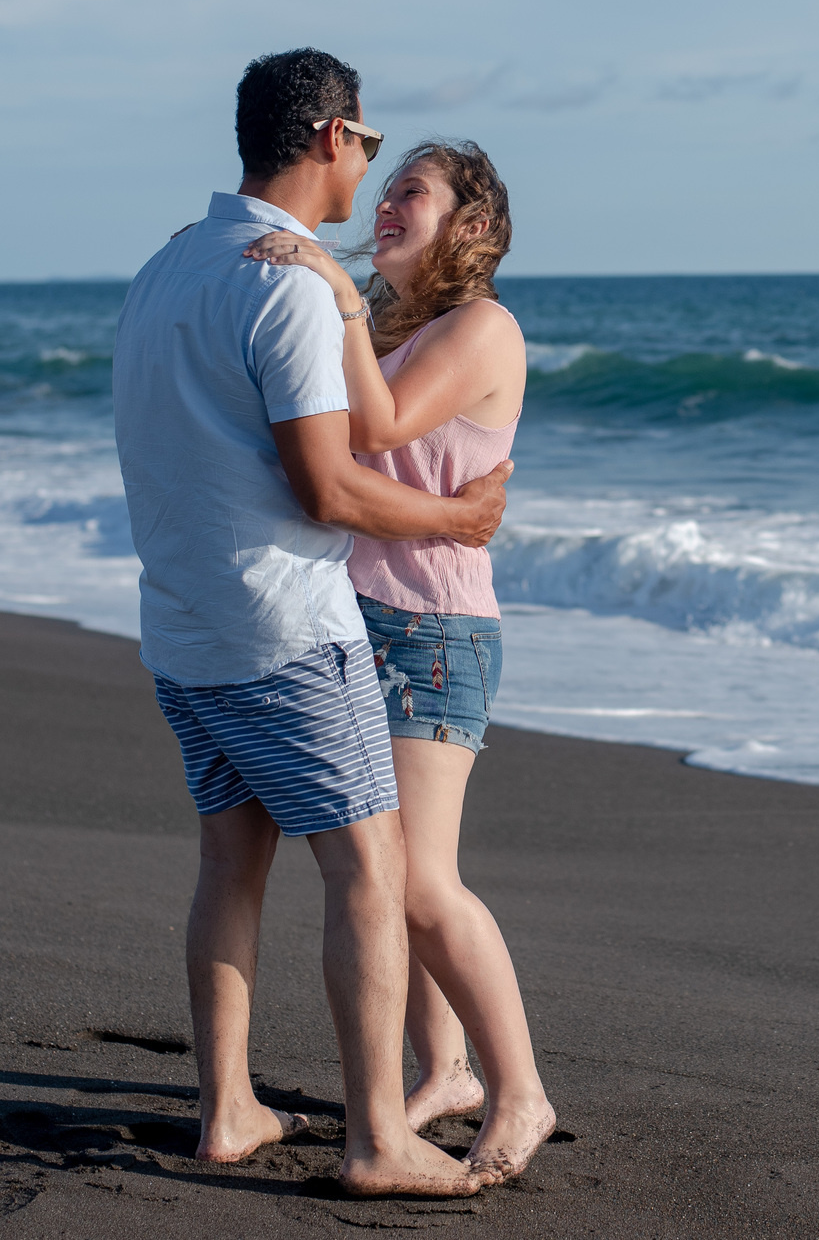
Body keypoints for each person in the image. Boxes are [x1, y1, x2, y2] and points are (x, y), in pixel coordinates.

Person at [111, 49, 513, 1196]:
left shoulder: (164, 268)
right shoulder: (283, 282)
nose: (370, 168)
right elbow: (328, 488)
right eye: (370, 145)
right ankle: (381, 1136)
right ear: (333, 135)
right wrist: (452, 517)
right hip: (282, 628)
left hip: (181, 628)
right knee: (371, 875)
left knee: (229, 863)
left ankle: (230, 1105)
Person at [241, 139, 557, 1183]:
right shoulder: (388, 323)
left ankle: (521, 1090)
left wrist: (325, 280)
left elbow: (374, 425)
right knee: (386, 875)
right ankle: (448, 1069)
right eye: (381, 192)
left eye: (409, 190)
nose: (384, 206)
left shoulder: (481, 327)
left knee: (423, 882)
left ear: (471, 224)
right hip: (356, 620)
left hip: (433, 632)